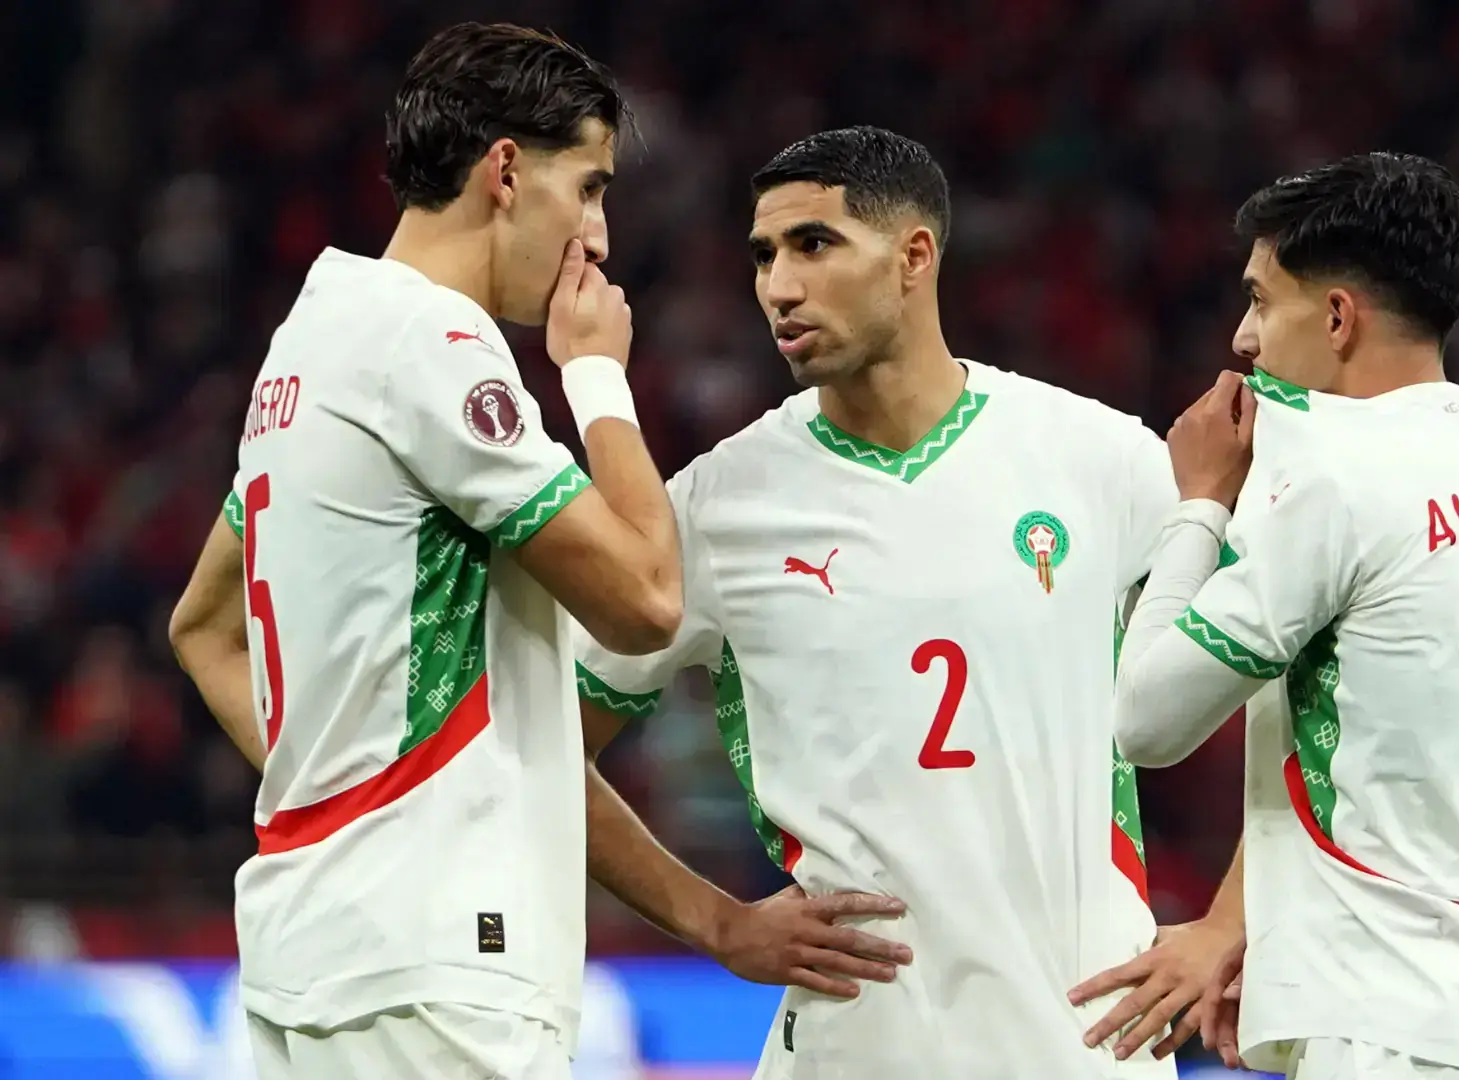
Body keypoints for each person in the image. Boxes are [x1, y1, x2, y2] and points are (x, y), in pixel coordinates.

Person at [167, 24, 907, 1080]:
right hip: (434, 968)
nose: (598, 236)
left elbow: (202, 629)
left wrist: (343, 793)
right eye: (590, 187)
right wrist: (596, 376)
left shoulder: (313, 339)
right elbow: (649, 601)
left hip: (325, 951)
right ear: (506, 170)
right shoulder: (431, 344)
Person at [574, 125, 1181, 1080]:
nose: (778, 285)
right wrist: (717, 922)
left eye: (814, 245)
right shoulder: (720, 505)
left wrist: (1229, 921)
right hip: (855, 1045)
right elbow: (542, 740)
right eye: (764, 256)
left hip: (1083, 1042)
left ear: (913, 256)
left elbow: (1292, 664)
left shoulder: (1103, 461)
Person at [1069, 153, 1459, 1080]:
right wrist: (1283, 916)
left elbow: (1145, 722)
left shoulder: (1332, 486)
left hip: (1387, 1038)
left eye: (1261, 303)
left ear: (1335, 318)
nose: (1244, 340)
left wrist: (1200, 502)